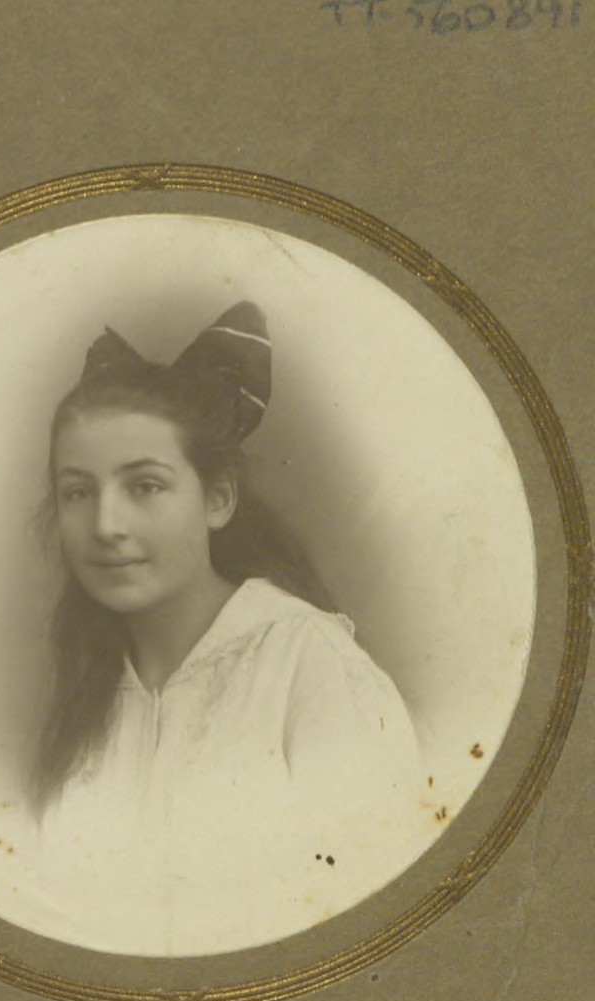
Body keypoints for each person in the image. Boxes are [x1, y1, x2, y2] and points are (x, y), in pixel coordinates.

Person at [26, 302, 427, 957]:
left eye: (145, 487)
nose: (106, 525)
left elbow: (379, 934)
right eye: (78, 492)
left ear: (218, 499)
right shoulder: (91, 688)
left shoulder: (310, 668)